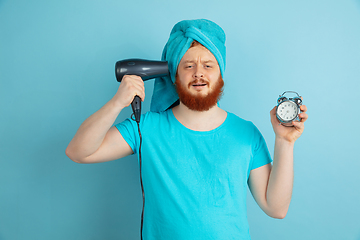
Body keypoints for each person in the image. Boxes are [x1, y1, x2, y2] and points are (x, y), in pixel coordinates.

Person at [66, 19, 308, 240]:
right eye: (188, 65)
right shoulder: (146, 127)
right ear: (174, 76)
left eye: (208, 65)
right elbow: (79, 152)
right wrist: (117, 103)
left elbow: (276, 208)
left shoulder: (246, 133)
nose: (199, 73)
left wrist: (285, 142)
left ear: (220, 74)